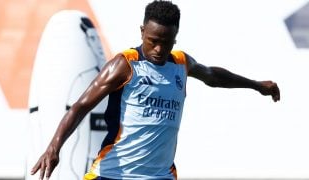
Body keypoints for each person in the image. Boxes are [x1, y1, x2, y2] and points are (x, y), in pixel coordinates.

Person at [31, 0, 280, 179]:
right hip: (114, 174)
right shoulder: (125, 64)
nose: (159, 50)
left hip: (161, 176)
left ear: (175, 37)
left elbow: (213, 76)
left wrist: (257, 86)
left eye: (166, 42)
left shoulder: (181, 63)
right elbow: (81, 106)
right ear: (142, 32)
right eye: (153, 41)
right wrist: (54, 147)